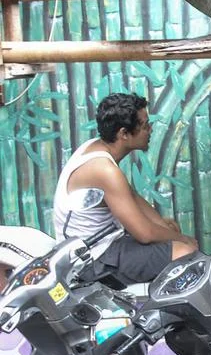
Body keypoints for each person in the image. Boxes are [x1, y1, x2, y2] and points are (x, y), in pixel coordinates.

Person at [53, 93, 198, 283]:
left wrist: (171, 233)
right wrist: (183, 240)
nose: (150, 129)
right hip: (90, 261)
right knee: (185, 252)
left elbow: (133, 197)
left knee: (169, 227)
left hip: (105, 243)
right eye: (145, 126)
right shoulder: (104, 170)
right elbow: (144, 234)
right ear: (123, 134)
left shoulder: (94, 148)